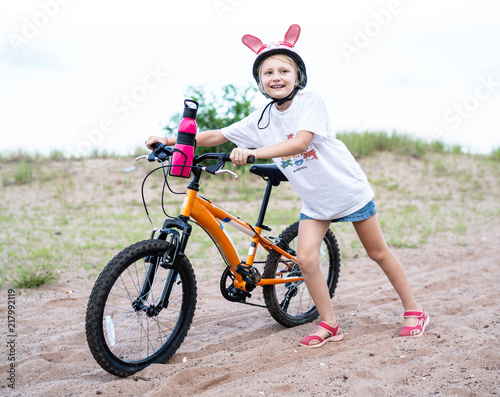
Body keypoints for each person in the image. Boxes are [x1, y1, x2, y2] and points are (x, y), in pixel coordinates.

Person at [146, 24, 429, 348]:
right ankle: (330, 324)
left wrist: (254, 152)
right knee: (306, 259)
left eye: (284, 70)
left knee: (376, 251)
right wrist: (169, 138)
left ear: (298, 77)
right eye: (268, 72)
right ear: (260, 81)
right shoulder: (262, 117)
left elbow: (300, 142)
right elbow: (216, 135)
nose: (276, 76)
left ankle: (414, 310)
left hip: (346, 190)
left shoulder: (311, 101)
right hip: (316, 200)